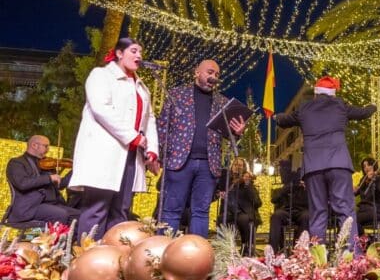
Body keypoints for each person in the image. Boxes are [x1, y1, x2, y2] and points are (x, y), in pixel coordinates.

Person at [70, 38, 160, 240]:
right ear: (119, 53)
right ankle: (87, 259)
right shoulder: (101, 75)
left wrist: (152, 149)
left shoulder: (141, 87)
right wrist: (132, 136)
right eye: (134, 51)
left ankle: (112, 259)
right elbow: (101, 108)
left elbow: (150, 119)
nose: (139, 56)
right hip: (105, 153)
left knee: (121, 210)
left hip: (130, 156)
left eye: (141, 52)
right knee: (97, 208)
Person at [275, 76, 376, 252]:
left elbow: (284, 120)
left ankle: (317, 259)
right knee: (345, 211)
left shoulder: (304, 107)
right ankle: (351, 257)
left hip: (313, 167)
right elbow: (364, 113)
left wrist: (275, 116)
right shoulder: (340, 105)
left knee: (318, 213)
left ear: (316, 93)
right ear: (332, 93)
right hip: (339, 164)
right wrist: (372, 106)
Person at [157, 59, 246, 237]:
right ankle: (163, 256)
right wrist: (158, 156)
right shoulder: (177, 95)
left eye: (217, 74)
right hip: (178, 161)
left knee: (201, 212)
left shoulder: (223, 103)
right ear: (197, 72)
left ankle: (197, 259)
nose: (213, 77)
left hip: (209, 165)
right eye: (210, 72)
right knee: (172, 211)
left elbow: (228, 133)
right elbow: (162, 127)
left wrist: (238, 132)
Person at [5, 135, 81, 226]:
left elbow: (60, 186)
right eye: (46, 146)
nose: (48, 149)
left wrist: (75, 170)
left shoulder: (47, 164)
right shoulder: (17, 163)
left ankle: (70, 239)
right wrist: (49, 178)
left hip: (53, 204)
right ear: (34, 145)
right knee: (60, 214)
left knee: (79, 215)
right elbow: (23, 184)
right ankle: (54, 240)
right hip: (31, 207)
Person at [218, 170, 261, 256]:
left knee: (243, 219)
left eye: (248, 177)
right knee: (221, 218)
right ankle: (224, 246)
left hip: (244, 213)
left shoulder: (250, 187)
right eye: (244, 176)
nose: (245, 178)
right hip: (232, 212)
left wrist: (248, 186)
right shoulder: (231, 186)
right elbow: (226, 201)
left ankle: (246, 245)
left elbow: (257, 203)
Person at [354, 157, 380, 242]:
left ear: (374, 166)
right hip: (364, 211)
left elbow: (379, 192)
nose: (366, 168)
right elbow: (356, 192)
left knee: (351, 220)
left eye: (369, 165)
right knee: (349, 220)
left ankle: (367, 241)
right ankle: (366, 240)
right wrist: (353, 190)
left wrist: (373, 180)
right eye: (364, 166)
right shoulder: (363, 179)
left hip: (376, 210)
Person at [269, 169, 309, 253]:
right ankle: (273, 250)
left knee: (306, 216)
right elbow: (274, 200)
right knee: (276, 216)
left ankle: (299, 250)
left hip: (301, 211)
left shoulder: (305, 188)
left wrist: (305, 187)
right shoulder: (285, 188)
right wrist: (287, 187)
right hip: (286, 211)